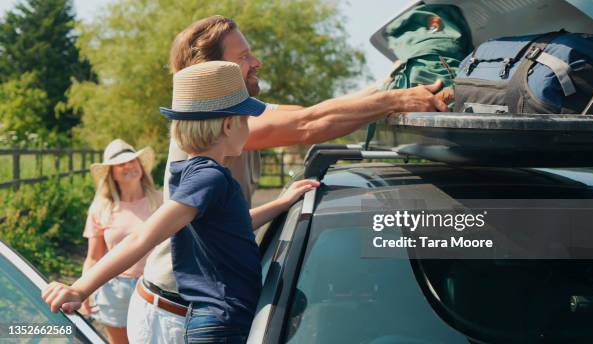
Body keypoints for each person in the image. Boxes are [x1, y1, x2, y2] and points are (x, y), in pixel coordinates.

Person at [131, 15, 452, 344]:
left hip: (202, 310)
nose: (257, 62)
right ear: (214, 73)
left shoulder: (238, 111)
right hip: (177, 314)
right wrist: (396, 101)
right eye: (243, 57)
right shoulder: (216, 122)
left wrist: (387, 86)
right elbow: (308, 126)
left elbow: (311, 111)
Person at [42, 61, 320, 343]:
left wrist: (281, 203)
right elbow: (142, 237)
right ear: (227, 125)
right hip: (222, 323)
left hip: (219, 320)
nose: (249, 128)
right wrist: (79, 289)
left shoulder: (189, 173)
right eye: (246, 120)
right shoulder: (209, 178)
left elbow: (233, 225)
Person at [81, 139, 162, 344]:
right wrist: (84, 291)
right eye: (121, 164)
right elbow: (94, 257)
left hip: (156, 285)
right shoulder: (101, 208)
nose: (129, 166)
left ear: (141, 166)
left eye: (133, 161)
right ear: (111, 173)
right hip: (115, 289)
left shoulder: (162, 201)